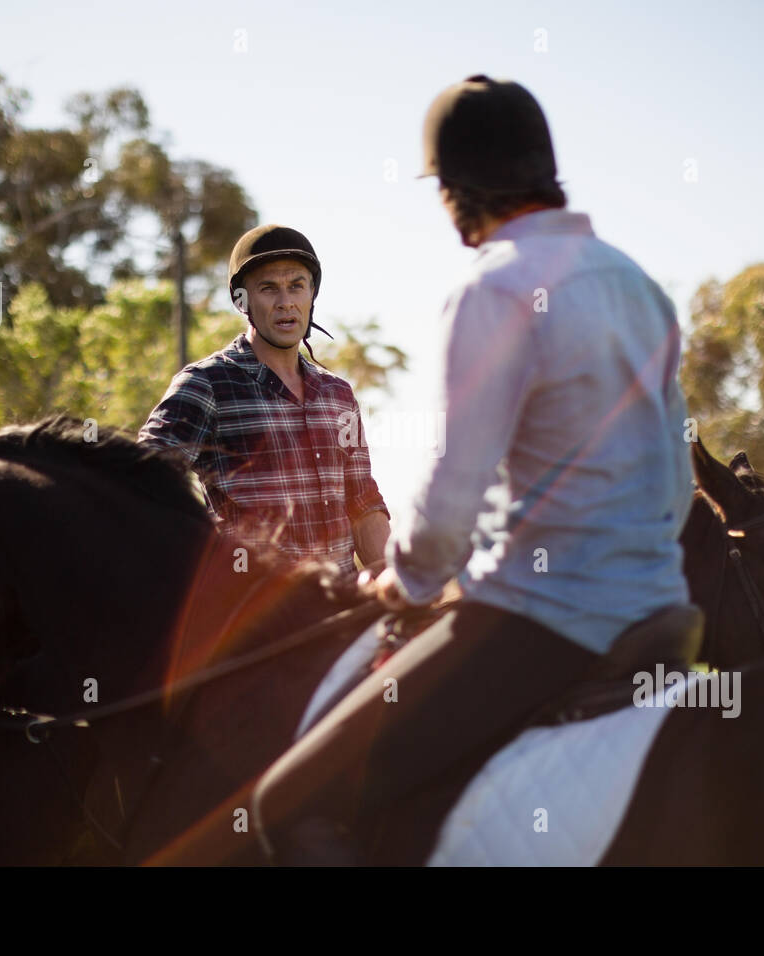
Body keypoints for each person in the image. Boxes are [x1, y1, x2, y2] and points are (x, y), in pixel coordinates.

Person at [249, 75, 698, 865]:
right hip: (661, 614)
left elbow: (451, 499)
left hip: (539, 623)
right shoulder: (636, 283)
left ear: (457, 189)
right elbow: (671, 484)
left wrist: (406, 580)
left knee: (291, 802)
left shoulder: (495, 288)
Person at [138, 225, 390, 577]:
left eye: (296, 286)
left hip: (342, 611)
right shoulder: (207, 384)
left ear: (312, 293)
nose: (285, 301)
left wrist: (391, 578)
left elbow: (362, 500)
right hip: (257, 619)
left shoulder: (338, 395)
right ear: (242, 301)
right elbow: (140, 482)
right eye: (268, 288)